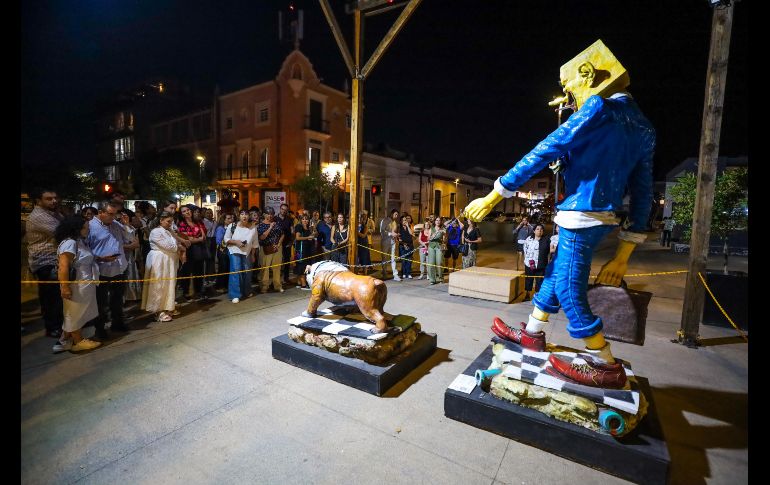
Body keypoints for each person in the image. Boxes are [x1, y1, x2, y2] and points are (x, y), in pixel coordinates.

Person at [465, 39, 654, 388]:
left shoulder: (598, 107)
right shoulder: (643, 125)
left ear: (588, 75)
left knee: (569, 289)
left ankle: (603, 363)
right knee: (557, 273)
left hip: (580, 214)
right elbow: (643, 190)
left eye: (569, 87)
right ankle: (533, 333)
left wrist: (497, 192)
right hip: (605, 218)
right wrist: (625, 252)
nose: (568, 97)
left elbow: (547, 146)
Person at [87, 200, 136, 340]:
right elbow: (84, 250)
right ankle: (100, 328)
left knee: (118, 299)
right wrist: (100, 258)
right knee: (101, 302)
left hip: (120, 267)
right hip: (102, 269)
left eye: (115, 214)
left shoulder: (116, 224)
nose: (113, 217)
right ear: (101, 212)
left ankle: (117, 323)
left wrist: (126, 225)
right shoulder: (90, 227)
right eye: (110, 214)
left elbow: (130, 238)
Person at [52, 215, 101, 353]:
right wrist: (65, 287)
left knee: (77, 312)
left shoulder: (78, 241)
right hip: (77, 284)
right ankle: (78, 341)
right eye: (86, 228)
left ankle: (64, 340)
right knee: (74, 312)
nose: (88, 230)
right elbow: (63, 267)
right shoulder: (70, 243)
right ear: (77, 228)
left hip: (85, 283)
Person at [26, 188, 64, 338]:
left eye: (55, 198)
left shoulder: (53, 213)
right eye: (49, 198)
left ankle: (56, 323)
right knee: (51, 297)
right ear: (38, 201)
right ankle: (52, 327)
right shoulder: (39, 216)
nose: (54, 201)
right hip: (45, 261)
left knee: (53, 296)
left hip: (53, 260)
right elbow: (62, 232)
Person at [141, 212, 183, 322]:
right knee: (158, 285)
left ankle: (168, 307)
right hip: (159, 261)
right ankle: (158, 310)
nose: (170, 224)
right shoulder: (155, 232)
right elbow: (170, 246)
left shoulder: (169, 232)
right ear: (161, 220)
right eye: (168, 221)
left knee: (169, 284)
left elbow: (176, 244)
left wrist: (177, 243)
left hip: (169, 261)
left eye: (171, 221)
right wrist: (177, 246)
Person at [225, 210, 259, 302]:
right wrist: (236, 242)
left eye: (246, 214)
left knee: (248, 272)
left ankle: (246, 291)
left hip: (247, 252)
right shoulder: (232, 226)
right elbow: (226, 239)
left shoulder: (253, 227)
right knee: (236, 271)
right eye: (242, 214)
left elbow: (255, 243)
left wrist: (253, 255)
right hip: (234, 251)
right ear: (238, 216)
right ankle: (235, 294)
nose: (244, 216)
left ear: (249, 216)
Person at [177, 205, 208, 300]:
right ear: (182, 215)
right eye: (184, 211)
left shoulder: (197, 222)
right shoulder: (182, 224)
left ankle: (198, 292)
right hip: (188, 250)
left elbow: (204, 236)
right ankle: (186, 293)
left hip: (199, 249)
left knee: (199, 271)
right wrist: (198, 239)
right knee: (187, 272)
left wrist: (198, 238)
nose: (187, 212)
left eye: (188, 210)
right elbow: (186, 239)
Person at [257, 211, 284, 294]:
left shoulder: (277, 223)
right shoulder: (260, 225)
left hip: (277, 248)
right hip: (266, 248)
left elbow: (282, 234)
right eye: (268, 213)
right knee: (265, 267)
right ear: (264, 214)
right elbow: (262, 237)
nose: (270, 215)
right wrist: (270, 227)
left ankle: (277, 285)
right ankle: (264, 286)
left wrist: (279, 244)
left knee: (277, 267)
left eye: (272, 214)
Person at [119, 210, 142, 303]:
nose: (123, 218)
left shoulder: (130, 227)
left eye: (125, 217)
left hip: (129, 257)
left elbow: (135, 243)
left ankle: (129, 297)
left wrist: (127, 224)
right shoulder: (115, 228)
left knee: (129, 276)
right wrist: (128, 246)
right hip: (119, 258)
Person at [522, 223, 550, 300]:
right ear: (534, 231)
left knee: (539, 280)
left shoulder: (547, 240)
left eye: (541, 229)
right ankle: (527, 294)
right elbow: (525, 249)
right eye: (537, 229)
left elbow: (549, 251)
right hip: (529, 263)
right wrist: (526, 259)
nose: (539, 231)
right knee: (529, 279)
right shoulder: (529, 239)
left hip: (541, 264)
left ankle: (537, 296)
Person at [293, 213, 316, 289]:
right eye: (303, 219)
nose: (305, 220)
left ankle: (299, 283)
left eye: (306, 219)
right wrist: (307, 237)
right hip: (301, 250)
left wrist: (313, 228)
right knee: (301, 266)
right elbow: (297, 238)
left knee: (304, 265)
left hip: (308, 250)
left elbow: (315, 234)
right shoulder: (299, 226)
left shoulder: (309, 227)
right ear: (300, 220)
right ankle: (303, 284)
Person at [214, 213, 235, 292]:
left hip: (229, 250)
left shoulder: (232, 228)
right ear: (224, 220)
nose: (231, 220)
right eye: (228, 218)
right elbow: (218, 241)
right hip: (222, 251)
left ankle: (226, 286)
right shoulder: (220, 228)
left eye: (231, 218)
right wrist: (229, 241)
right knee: (222, 269)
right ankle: (220, 286)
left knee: (228, 268)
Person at [380, 209, 401, 281]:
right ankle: (384, 273)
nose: (396, 216)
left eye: (397, 215)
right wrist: (390, 233)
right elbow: (382, 231)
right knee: (384, 258)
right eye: (395, 214)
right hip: (385, 241)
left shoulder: (395, 222)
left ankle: (395, 274)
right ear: (392, 213)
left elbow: (394, 231)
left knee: (393, 258)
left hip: (393, 241)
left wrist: (396, 235)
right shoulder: (385, 220)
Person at [276, 203, 295, 285]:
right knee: (277, 262)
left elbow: (292, 231)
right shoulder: (274, 218)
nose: (283, 211)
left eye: (285, 210)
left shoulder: (289, 219)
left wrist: (291, 242)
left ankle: (286, 278)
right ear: (280, 209)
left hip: (287, 243)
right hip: (277, 244)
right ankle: (276, 280)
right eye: (282, 209)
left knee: (286, 262)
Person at [427, 216, 447, 285]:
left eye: (439, 220)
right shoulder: (431, 229)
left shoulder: (443, 229)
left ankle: (440, 278)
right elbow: (428, 239)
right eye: (436, 220)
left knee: (439, 262)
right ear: (434, 222)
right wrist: (434, 234)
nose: (438, 222)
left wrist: (444, 234)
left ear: (441, 221)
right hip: (431, 246)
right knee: (431, 263)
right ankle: (432, 279)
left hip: (439, 246)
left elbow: (444, 240)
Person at [398, 214, 414, 279]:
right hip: (402, 246)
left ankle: (409, 273)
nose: (404, 221)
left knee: (409, 259)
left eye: (405, 220)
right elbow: (399, 238)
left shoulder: (409, 226)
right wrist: (404, 244)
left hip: (410, 245)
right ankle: (404, 273)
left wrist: (407, 226)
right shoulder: (399, 228)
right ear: (401, 221)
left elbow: (411, 234)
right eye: (403, 220)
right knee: (404, 260)